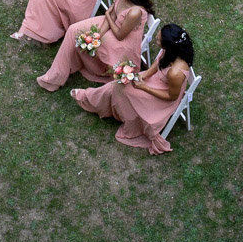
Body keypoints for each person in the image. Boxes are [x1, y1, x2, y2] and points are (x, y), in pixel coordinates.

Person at [72, 23, 194, 155]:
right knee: (119, 84)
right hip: (154, 81)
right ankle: (93, 98)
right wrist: (145, 75)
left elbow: (172, 97)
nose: (156, 40)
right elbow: (158, 62)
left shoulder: (175, 73)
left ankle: (98, 103)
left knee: (123, 89)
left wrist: (145, 88)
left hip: (161, 98)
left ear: (168, 45)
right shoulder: (171, 51)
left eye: (159, 40)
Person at [37, 0, 154, 90]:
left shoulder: (135, 12)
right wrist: (97, 35)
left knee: (99, 45)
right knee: (74, 30)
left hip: (123, 40)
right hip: (112, 24)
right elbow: (113, 15)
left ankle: (88, 67)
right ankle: (56, 74)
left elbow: (119, 35)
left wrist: (107, 15)